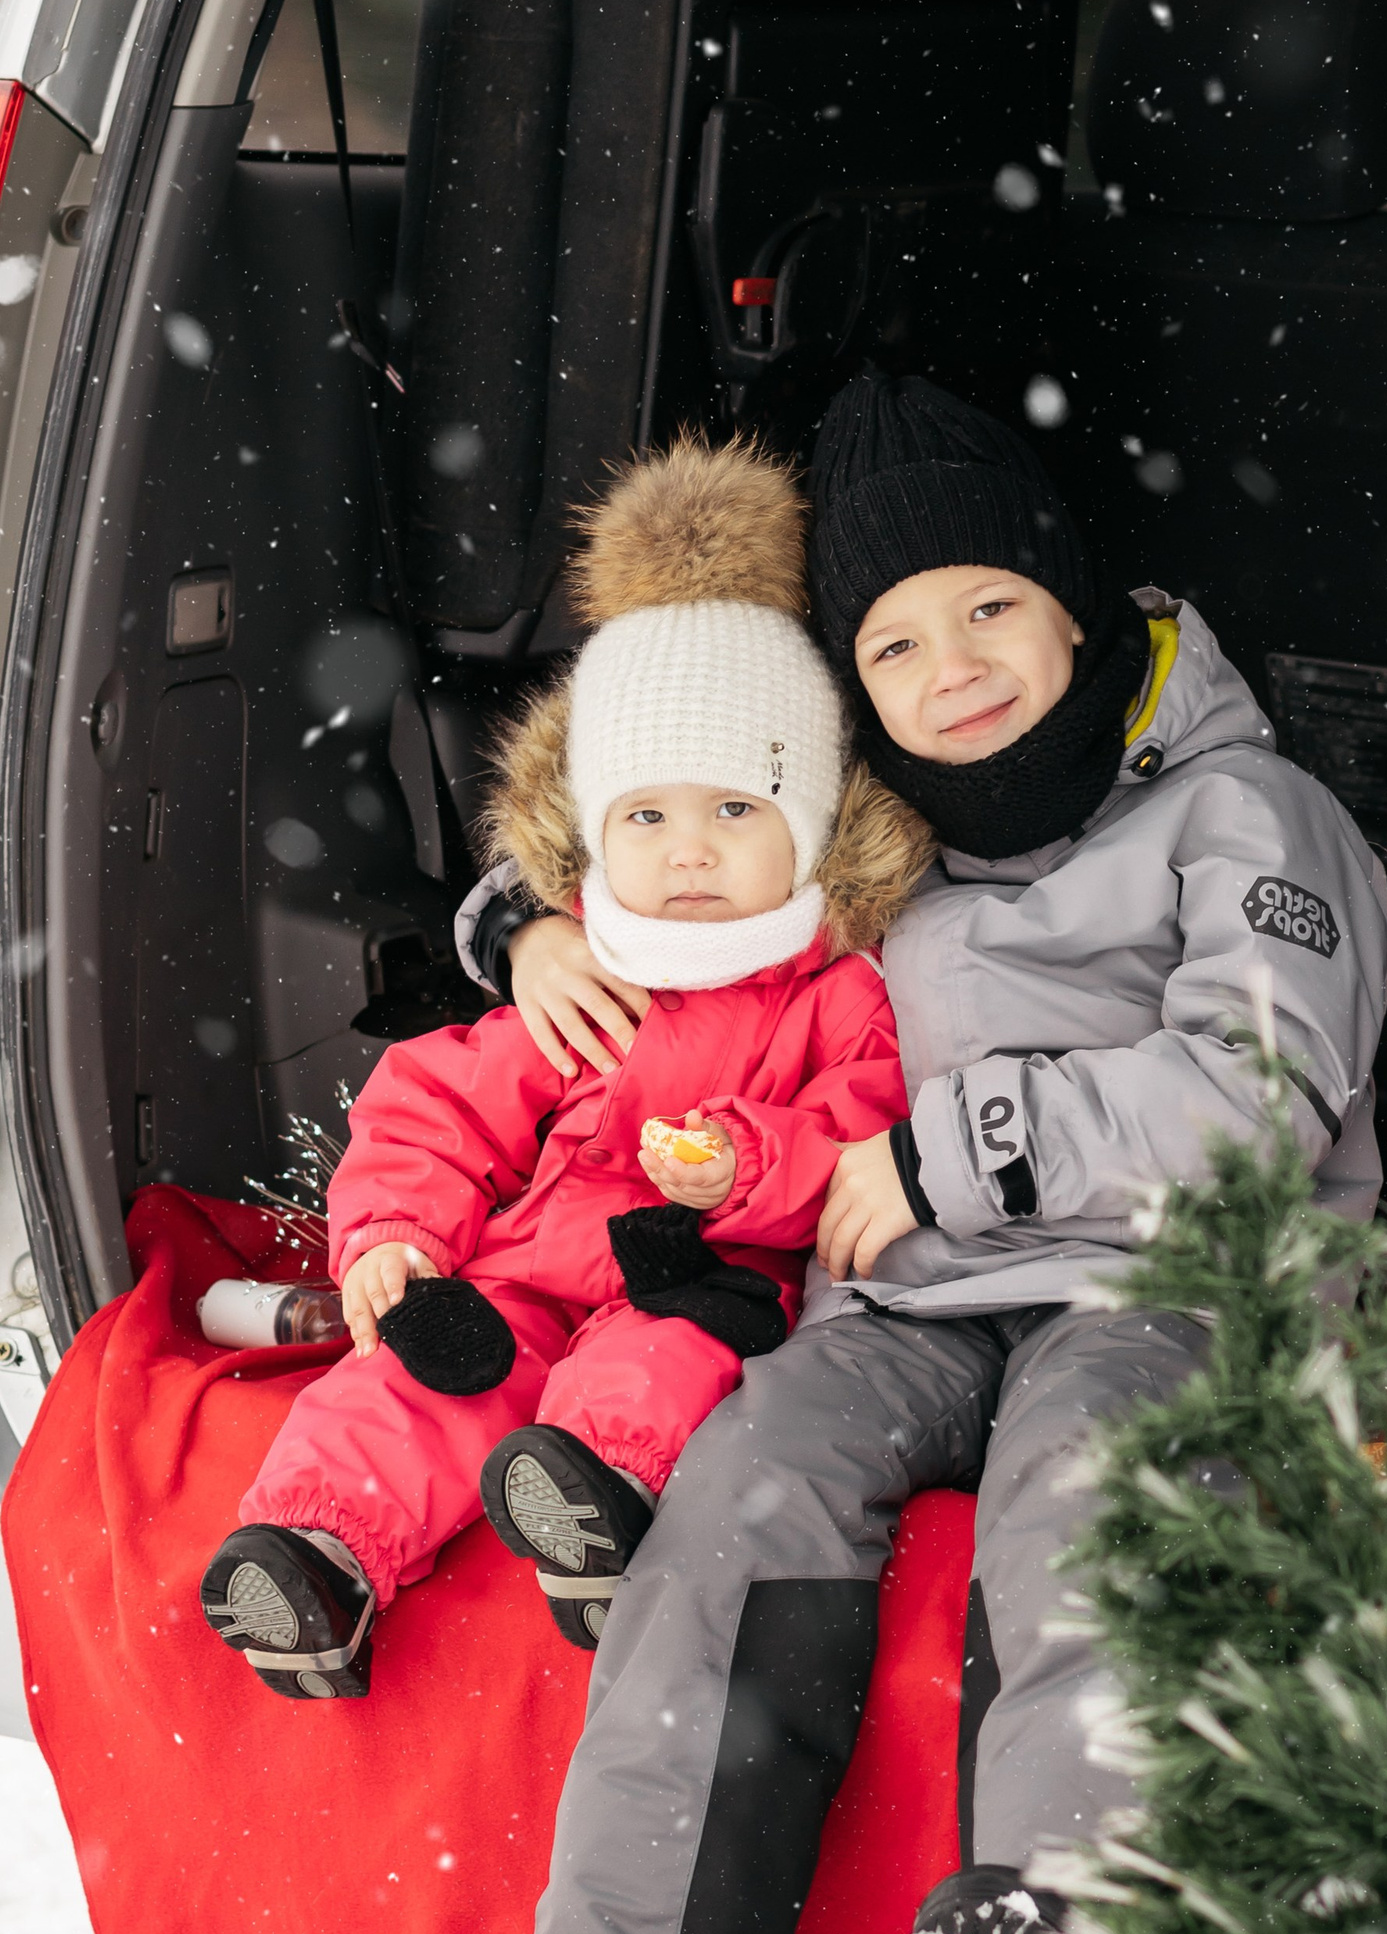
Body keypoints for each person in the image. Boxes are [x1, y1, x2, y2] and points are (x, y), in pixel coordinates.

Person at [418, 372, 1387, 1934]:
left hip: (1176, 1278)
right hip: (916, 1302)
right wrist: (527, 925)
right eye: (892, 642)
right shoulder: (892, 849)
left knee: (1091, 1486)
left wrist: (960, 1153)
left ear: (1076, 607)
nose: (954, 667)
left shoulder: (1244, 816)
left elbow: (1258, 1091)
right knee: (748, 1474)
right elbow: (683, 857)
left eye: (991, 611)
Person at [199, 437, 924, 1696]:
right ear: (593, 830)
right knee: (430, 1370)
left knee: (664, 1359)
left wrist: (746, 1165)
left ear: (808, 827)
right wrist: (394, 1236)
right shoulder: (584, 965)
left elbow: (854, 1135)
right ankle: (317, 1552)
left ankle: (595, 1506)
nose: (688, 853)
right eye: (646, 816)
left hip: (704, 1265)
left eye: (734, 812)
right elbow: (435, 1105)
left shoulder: (840, 990)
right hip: (530, 1260)